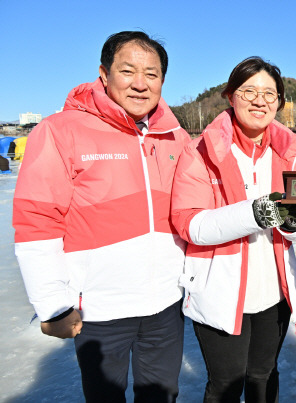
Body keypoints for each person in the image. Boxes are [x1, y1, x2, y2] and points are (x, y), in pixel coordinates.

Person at [13, 31, 191, 402]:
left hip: (165, 303)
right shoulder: (62, 131)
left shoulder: (176, 137)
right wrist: (53, 305)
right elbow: (36, 221)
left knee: (163, 396)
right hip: (99, 306)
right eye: (128, 71)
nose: (140, 84)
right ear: (104, 73)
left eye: (152, 74)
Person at [170, 57, 296, 403]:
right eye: (249, 91)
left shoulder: (292, 154)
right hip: (219, 290)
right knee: (226, 383)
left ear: (280, 102)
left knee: (264, 376)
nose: (260, 100)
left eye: (270, 93)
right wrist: (255, 213)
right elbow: (190, 223)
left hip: (274, 292)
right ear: (230, 96)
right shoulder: (200, 153)